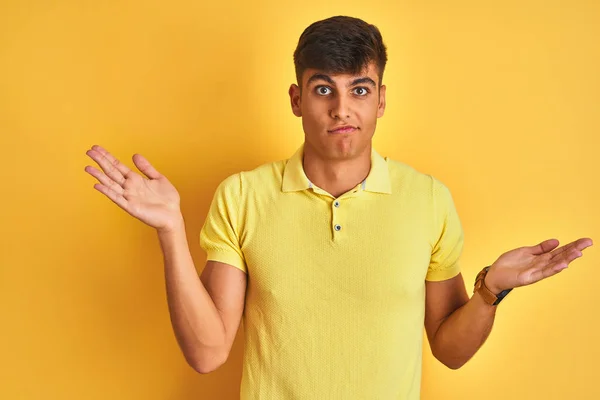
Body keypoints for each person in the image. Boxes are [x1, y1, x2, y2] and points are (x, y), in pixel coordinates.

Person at [84, 15, 593, 400]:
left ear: (381, 100)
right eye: (324, 88)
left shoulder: (428, 199)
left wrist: (491, 290)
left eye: (360, 89)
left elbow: (449, 350)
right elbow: (208, 351)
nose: (342, 108)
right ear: (296, 98)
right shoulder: (242, 196)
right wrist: (171, 229)